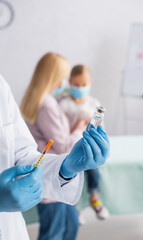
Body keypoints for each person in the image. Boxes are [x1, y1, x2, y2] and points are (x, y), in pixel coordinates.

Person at [0, 73, 110, 240]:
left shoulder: (1, 86)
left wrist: (65, 168)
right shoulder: (48, 104)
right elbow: (61, 141)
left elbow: (19, 154)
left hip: (10, 230)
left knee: (68, 227)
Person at [20, 53, 88, 240]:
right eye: (63, 76)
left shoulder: (38, 99)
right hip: (52, 179)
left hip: (50, 177)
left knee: (68, 226)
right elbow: (64, 145)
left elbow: (55, 138)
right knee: (56, 232)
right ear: (52, 76)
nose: (64, 82)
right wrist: (81, 128)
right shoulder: (47, 105)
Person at [59, 65, 109, 220]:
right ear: (70, 83)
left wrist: (93, 124)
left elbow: (102, 128)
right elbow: (60, 133)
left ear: (90, 84)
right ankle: (75, 205)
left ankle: (94, 196)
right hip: (69, 147)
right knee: (73, 171)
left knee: (93, 167)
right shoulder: (63, 104)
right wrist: (77, 122)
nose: (80, 88)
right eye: (76, 84)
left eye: (84, 85)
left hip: (89, 144)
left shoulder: (94, 103)